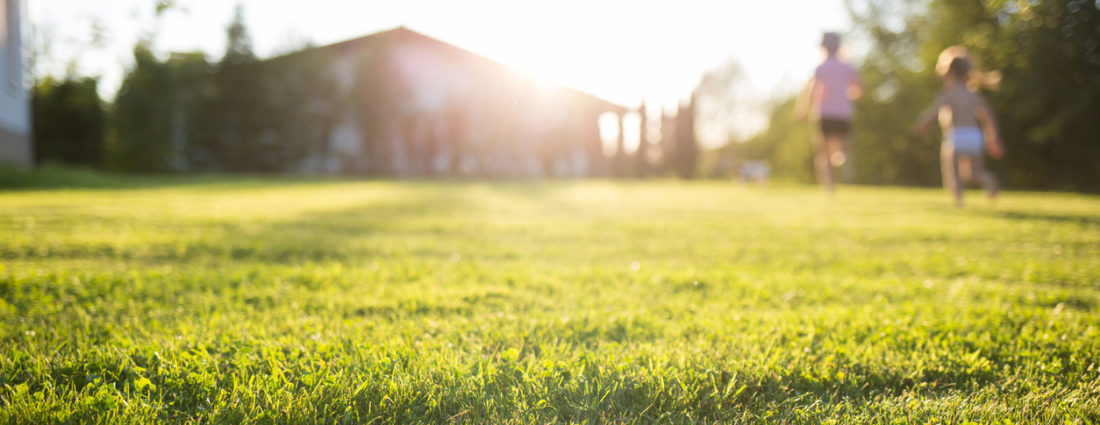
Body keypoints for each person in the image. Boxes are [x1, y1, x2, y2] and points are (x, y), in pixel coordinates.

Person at [915, 46, 1004, 207]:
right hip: (975, 136)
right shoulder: (973, 94)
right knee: (974, 173)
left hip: (955, 136)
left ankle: (958, 201)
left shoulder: (948, 93)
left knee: (952, 171)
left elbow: (934, 112)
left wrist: (923, 123)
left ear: (947, 73)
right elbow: (988, 117)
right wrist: (993, 137)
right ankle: (988, 180)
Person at [797, 32, 862, 194]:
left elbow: (811, 90)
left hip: (824, 113)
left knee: (823, 153)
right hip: (843, 114)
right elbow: (858, 89)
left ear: (823, 47)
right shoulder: (848, 67)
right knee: (843, 147)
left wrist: (804, 109)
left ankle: (829, 187)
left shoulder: (821, 67)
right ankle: (840, 158)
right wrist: (850, 94)